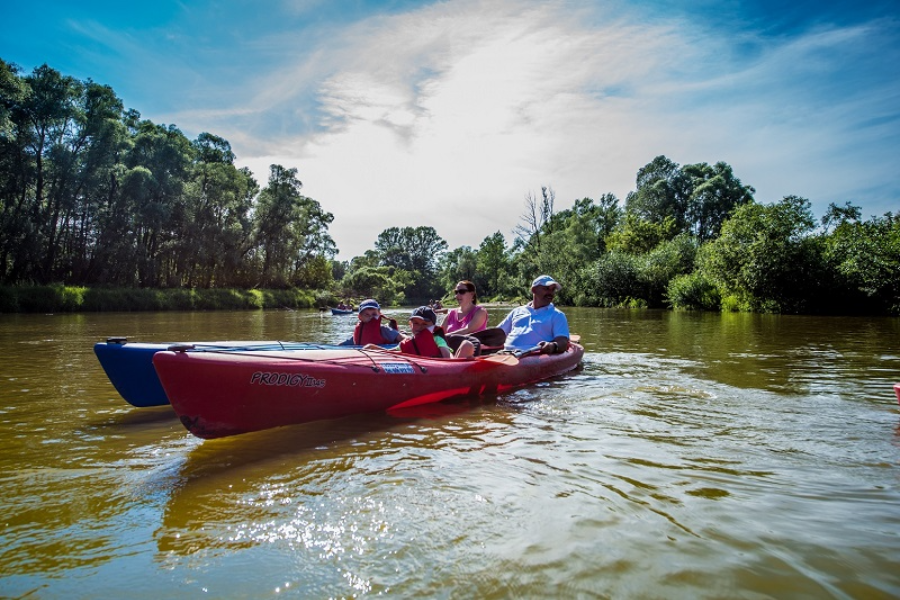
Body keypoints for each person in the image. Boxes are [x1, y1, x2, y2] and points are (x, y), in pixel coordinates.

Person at [496, 275, 570, 354]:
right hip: (506, 353)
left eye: (553, 290)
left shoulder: (557, 315)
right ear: (534, 290)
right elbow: (498, 334)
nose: (550, 293)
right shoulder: (517, 311)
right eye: (546, 288)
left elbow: (563, 341)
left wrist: (553, 346)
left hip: (533, 355)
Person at [365, 306, 475, 359]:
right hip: (422, 370)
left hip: (445, 367)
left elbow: (447, 358)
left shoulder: (437, 339)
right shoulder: (407, 342)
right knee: (369, 346)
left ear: (433, 327)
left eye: (425, 324)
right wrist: (373, 348)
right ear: (410, 325)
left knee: (467, 345)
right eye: (416, 323)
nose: (420, 327)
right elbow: (391, 352)